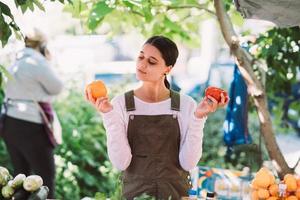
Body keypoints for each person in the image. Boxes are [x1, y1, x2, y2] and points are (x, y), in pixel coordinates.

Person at [85, 35, 228, 200]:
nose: (142, 64)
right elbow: (121, 163)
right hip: (135, 196)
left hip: (176, 194)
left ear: (168, 69)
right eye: (140, 57)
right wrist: (108, 115)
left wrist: (198, 118)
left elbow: (188, 164)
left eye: (151, 62)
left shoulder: (185, 105)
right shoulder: (121, 104)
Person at [2, 28, 63, 198]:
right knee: (45, 178)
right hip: (30, 125)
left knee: (20, 178)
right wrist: (48, 61)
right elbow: (57, 87)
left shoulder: (16, 61)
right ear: (42, 45)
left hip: (9, 122)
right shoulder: (37, 61)